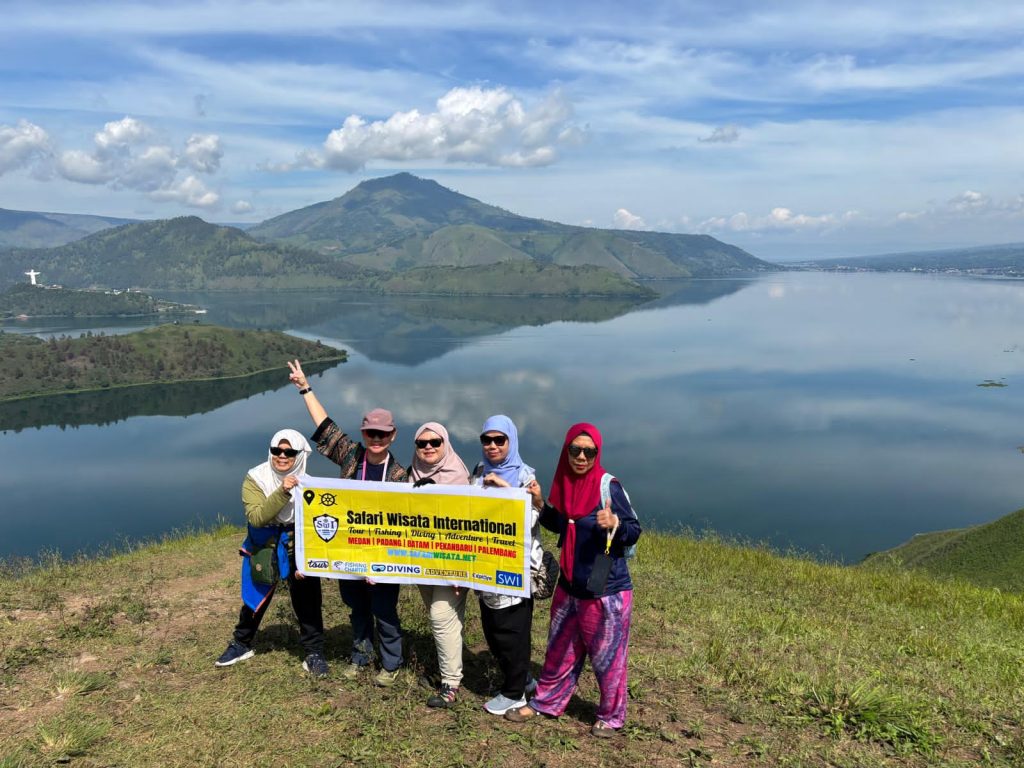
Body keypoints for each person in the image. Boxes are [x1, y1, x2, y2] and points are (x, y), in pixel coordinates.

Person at [505, 422, 641, 738]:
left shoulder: (609, 486)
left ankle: (611, 715)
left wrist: (616, 523)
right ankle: (547, 702)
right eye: (575, 450)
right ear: (566, 451)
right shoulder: (567, 483)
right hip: (569, 586)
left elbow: (634, 531)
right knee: (559, 650)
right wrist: (541, 503)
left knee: (608, 657)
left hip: (605, 591)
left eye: (589, 451)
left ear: (597, 453)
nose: (581, 457)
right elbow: (567, 526)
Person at [287, 359, 408, 687]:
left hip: (383, 557)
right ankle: (361, 655)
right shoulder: (351, 456)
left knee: (384, 611)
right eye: (371, 432)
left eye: (382, 433)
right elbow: (325, 427)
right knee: (356, 609)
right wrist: (305, 388)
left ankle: (391, 663)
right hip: (349, 552)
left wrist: (382, 563)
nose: (376, 438)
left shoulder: (401, 477)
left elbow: (407, 523)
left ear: (393, 435)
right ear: (364, 433)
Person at [215, 429, 328, 678]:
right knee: (256, 594)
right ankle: (241, 643)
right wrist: (283, 491)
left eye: (289, 452)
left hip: (296, 542)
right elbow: (257, 517)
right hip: (263, 543)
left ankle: (314, 652)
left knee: (308, 597)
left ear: (299, 455)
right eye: (277, 450)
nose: (282, 456)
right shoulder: (256, 478)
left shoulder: (307, 481)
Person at [471, 414, 545, 716]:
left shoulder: (526, 477)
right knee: (491, 627)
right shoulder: (478, 471)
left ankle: (514, 693)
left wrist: (505, 491)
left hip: (516, 568)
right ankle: (524, 679)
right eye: (486, 440)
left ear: (510, 441)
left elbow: (531, 519)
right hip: (486, 563)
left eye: (499, 440)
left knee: (512, 630)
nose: (492, 446)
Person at [408, 421, 471, 708]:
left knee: (440, 615)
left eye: (435, 442)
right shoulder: (412, 473)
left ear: (446, 443)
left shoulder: (457, 475)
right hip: (424, 560)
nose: (429, 447)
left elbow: (468, 524)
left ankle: (450, 683)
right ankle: (451, 665)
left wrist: (462, 570)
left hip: (454, 562)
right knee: (443, 617)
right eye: (422, 443)